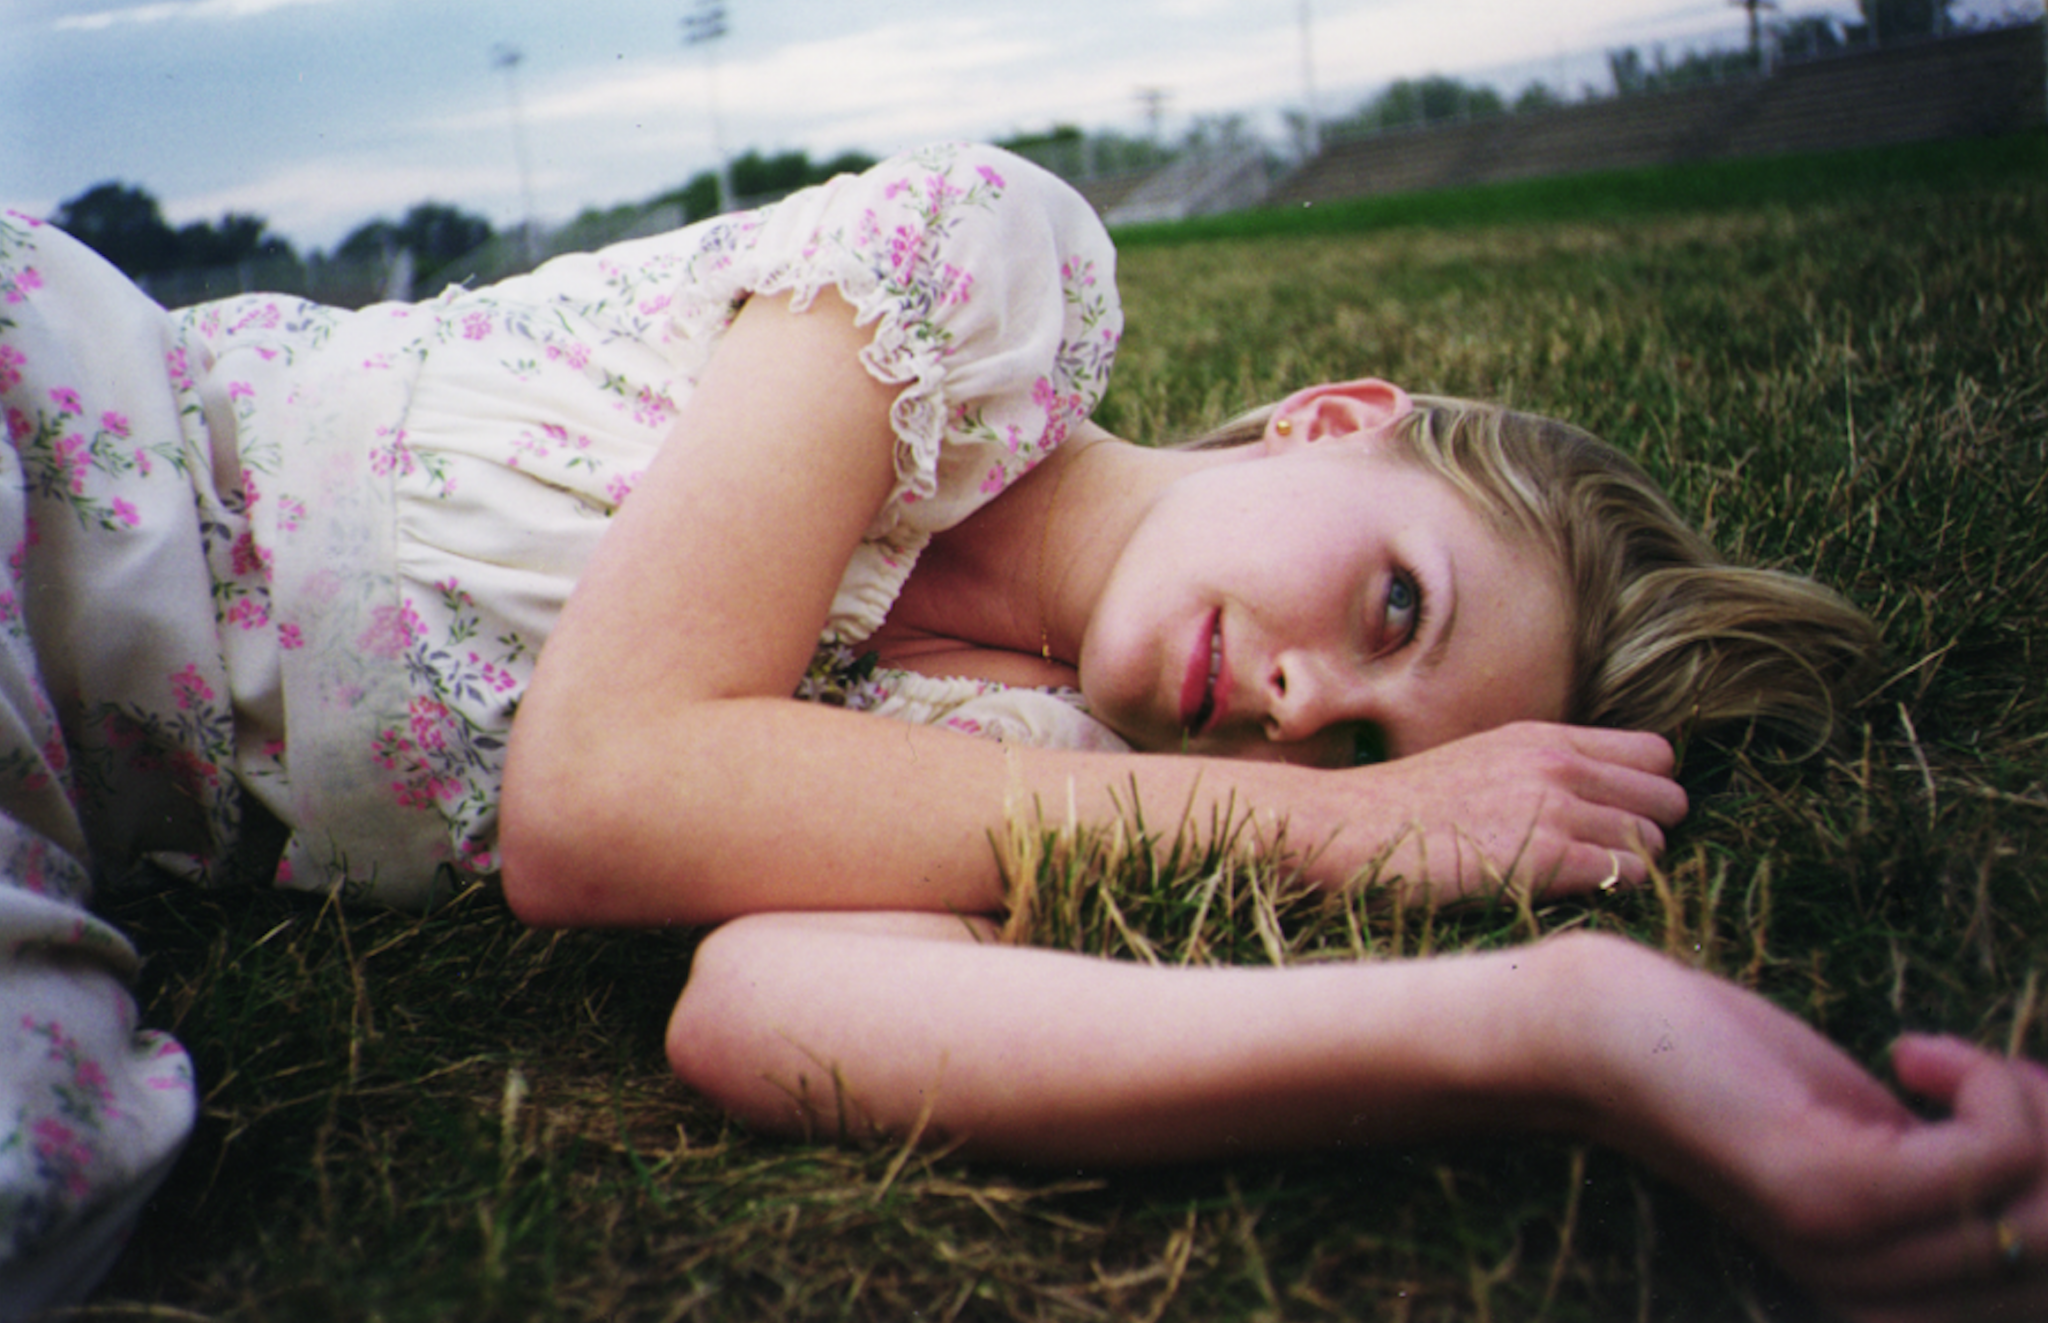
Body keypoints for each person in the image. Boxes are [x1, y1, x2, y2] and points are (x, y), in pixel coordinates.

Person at [0, 143, 2037, 1321]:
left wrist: (1567, 1027)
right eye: (1395, 603)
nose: (1313, 709)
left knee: (55, 1174)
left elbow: (764, 1011)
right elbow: (596, 801)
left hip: (61, 793)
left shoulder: (1062, 770)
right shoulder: (971, 285)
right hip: (57, 462)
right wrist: (1345, 840)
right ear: (1338, 417)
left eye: (1363, 756)